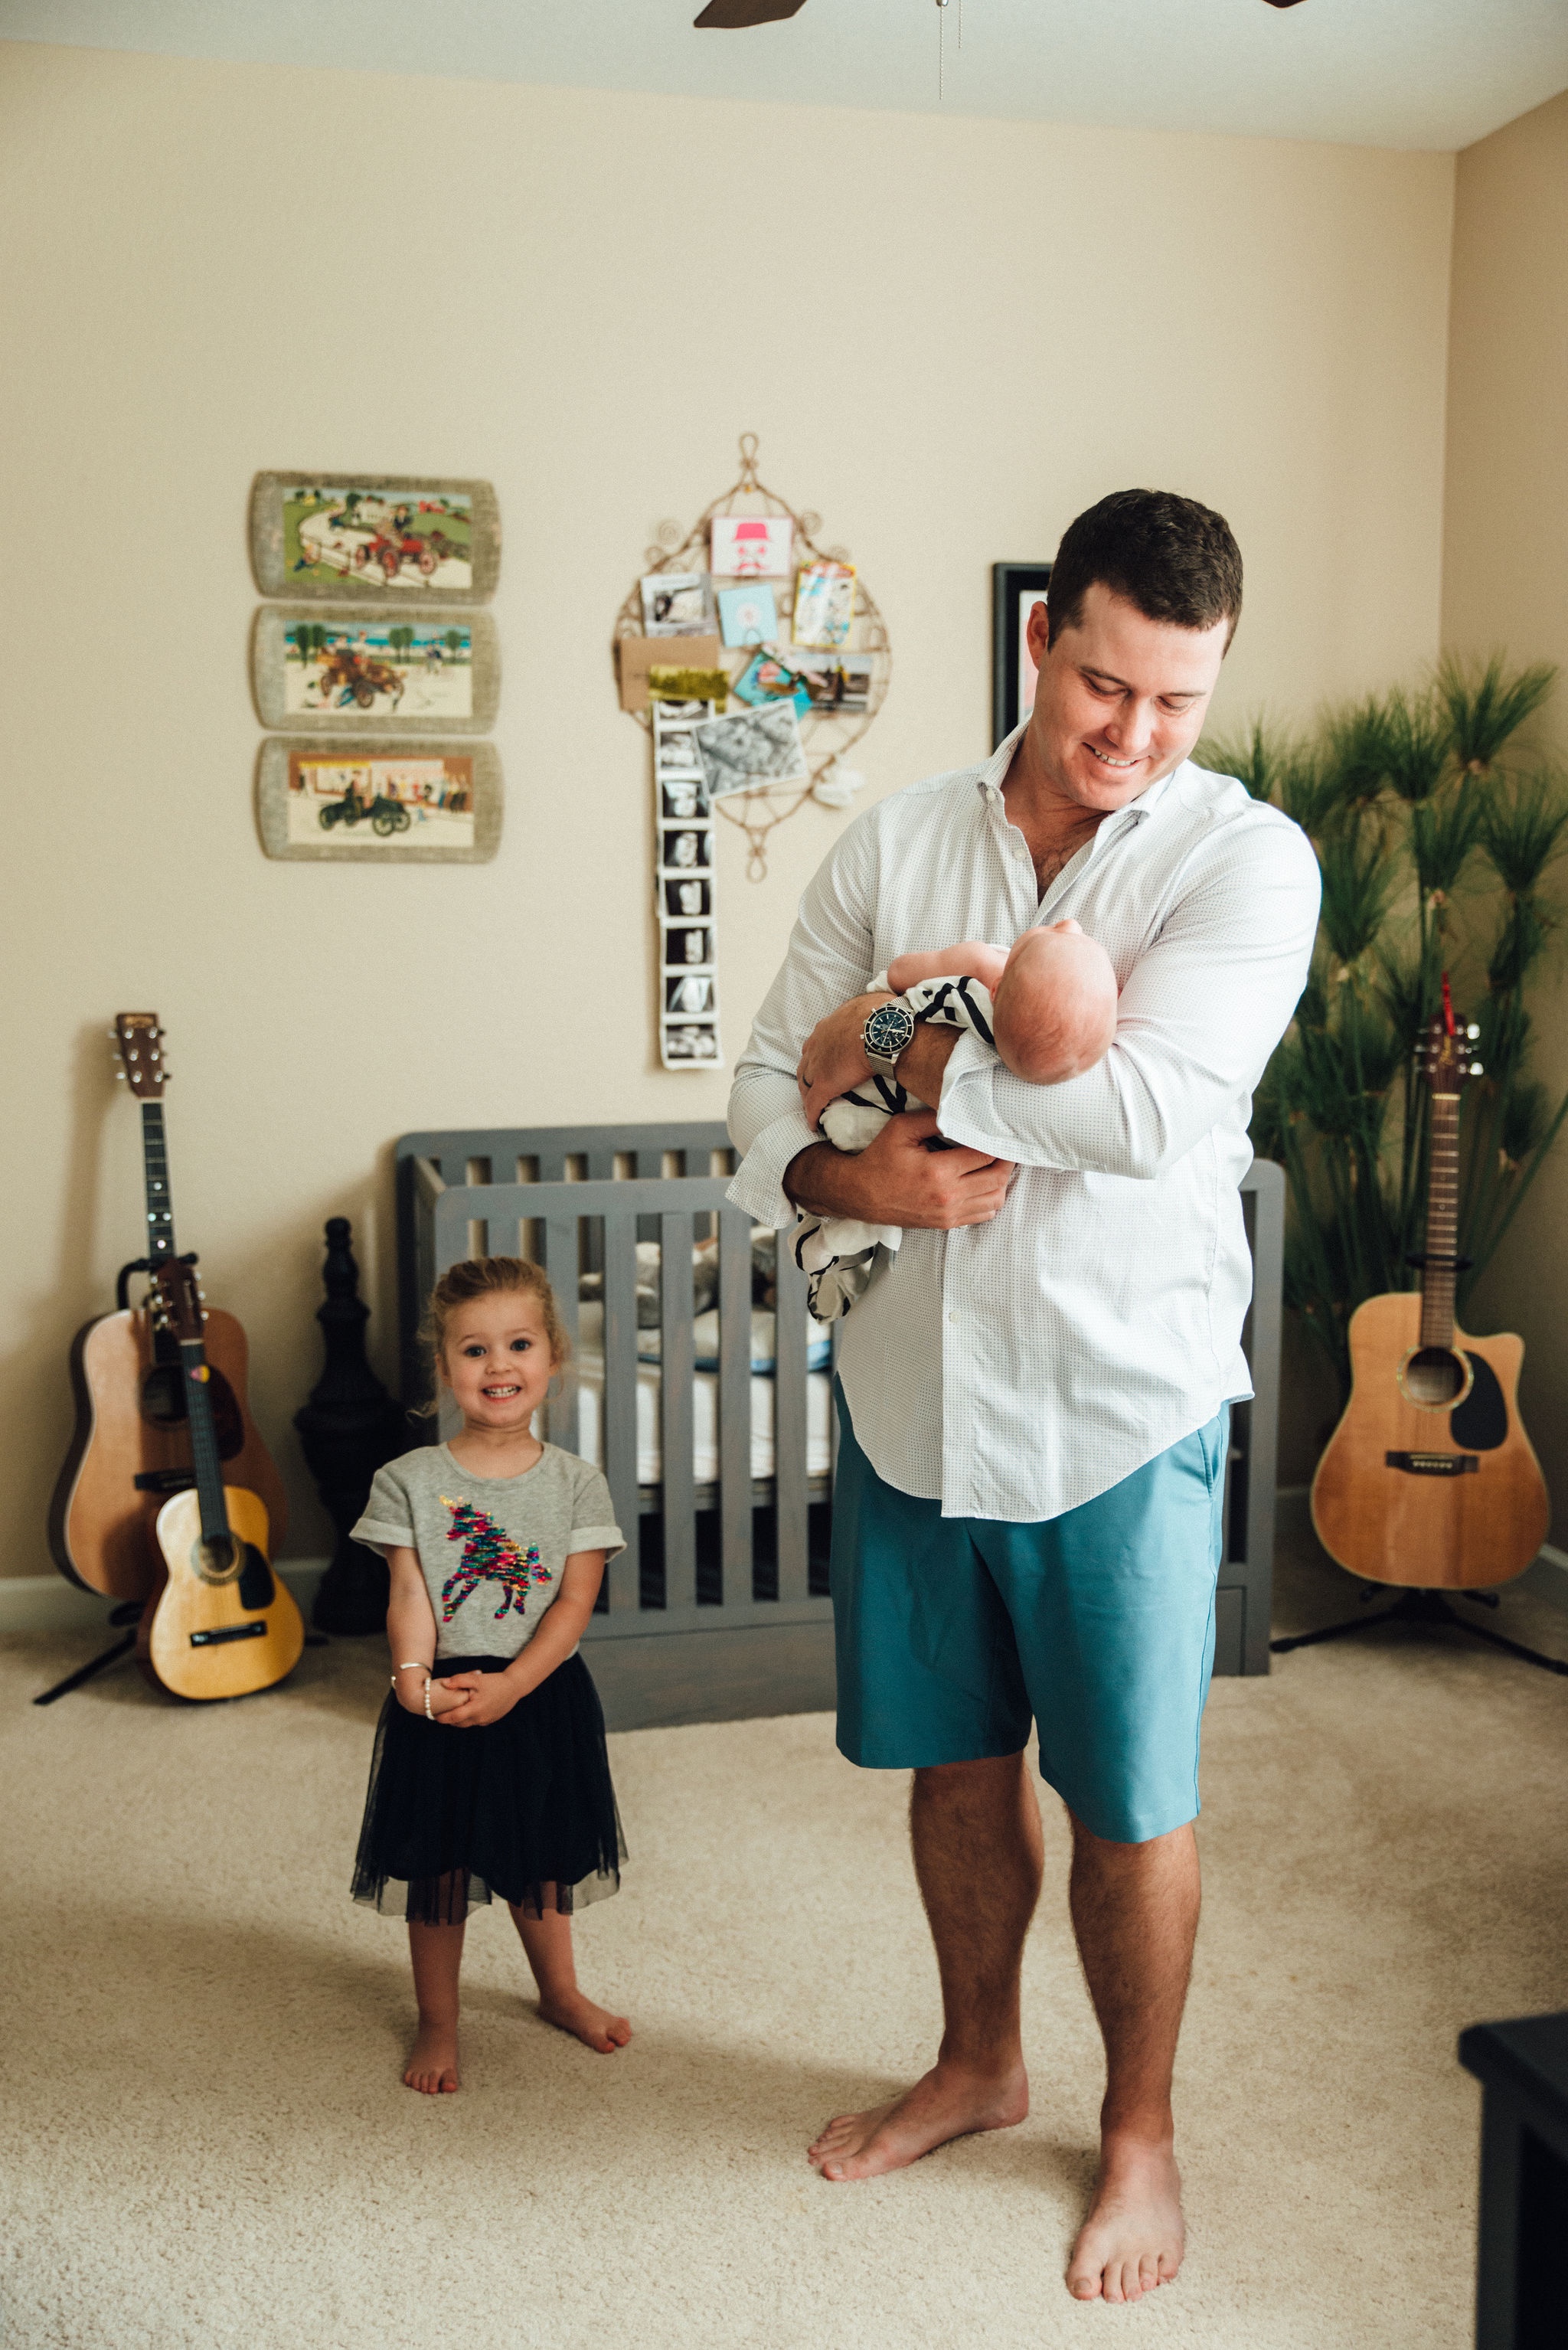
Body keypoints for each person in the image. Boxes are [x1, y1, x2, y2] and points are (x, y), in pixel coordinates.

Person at [727, 489, 1321, 2304]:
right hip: (910, 1400)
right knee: (955, 1764)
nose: (1135, 734)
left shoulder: (1239, 860)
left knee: (1128, 1800)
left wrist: (898, 1058)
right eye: (1104, 686)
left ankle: (1137, 2129)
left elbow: (1146, 1113)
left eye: (1177, 701)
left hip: (1116, 1412)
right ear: (1040, 639)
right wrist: (844, 1176)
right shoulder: (897, 841)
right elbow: (757, 1092)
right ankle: (978, 2060)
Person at [349, 1256, 631, 2095]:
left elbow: (573, 1605)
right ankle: (438, 2021)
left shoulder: (577, 1484)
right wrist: (413, 1680)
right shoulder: (406, 1481)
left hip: (539, 1696)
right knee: (435, 1869)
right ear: (444, 1368)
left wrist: (514, 1685)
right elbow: (409, 1592)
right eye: (474, 1350)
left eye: (518, 1344)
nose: (497, 1365)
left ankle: (559, 1992)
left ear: (552, 1358)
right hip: (439, 1698)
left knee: (542, 1859)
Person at [793, 920, 1118, 1318]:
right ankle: (834, 1245)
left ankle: (830, 1243)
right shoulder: (1041, 1068)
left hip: (865, 1107)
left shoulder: (980, 971)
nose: (1070, 923)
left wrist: (873, 1020)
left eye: (1062, 937)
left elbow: (899, 973)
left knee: (874, 1175)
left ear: (996, 990)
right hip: (934, 1141)